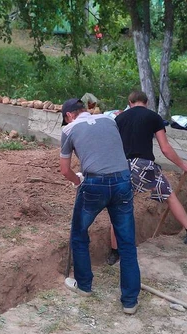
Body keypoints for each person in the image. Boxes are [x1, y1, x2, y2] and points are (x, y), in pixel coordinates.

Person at [59, 98, 141, 315]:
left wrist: (79, 181)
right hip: (123, 180)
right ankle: (130, 302)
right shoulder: (109, 119)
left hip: (94, 183)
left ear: (68, 115)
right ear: (84, 110)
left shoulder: (68, 130)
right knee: (127, 243)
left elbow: (65, 171)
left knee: (78, 233)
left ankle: (84, 286)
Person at [106, 91, 187, 265]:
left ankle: (114, 252)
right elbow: (165, 148)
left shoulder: (119, 119)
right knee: (170, 196)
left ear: (129, 102)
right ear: (147, 102)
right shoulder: (153, 117)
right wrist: (183, 165)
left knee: (119, 207)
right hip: (145, 166)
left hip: (123, 167)